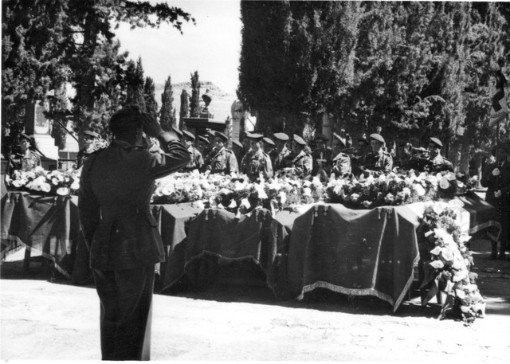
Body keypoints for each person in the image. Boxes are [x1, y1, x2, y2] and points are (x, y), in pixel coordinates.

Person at [78, 105, 190, 360]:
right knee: (135, 320)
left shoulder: (94, 161)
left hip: (103, 245)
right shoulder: (142, 159)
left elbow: (86, 212)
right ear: (140, 131)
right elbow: (182, 155)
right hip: (137, 245)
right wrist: (161, 132)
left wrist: (96, 243)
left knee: (111, 317)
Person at [481, 141, 510, 260]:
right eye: (497, 152)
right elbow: (483, 183)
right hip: (492, 201)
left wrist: (503, 191)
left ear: (507, 154)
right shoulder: (490, 167)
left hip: (506, 200)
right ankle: (493, 250)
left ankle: (502, 250)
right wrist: (491, 175)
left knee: (505, 225)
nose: (499, 154)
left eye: (502, 152)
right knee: (493, 224)